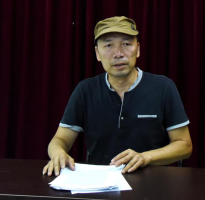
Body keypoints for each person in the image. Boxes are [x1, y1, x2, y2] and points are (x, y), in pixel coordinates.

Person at [43, 16, 193, 176]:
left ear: (138, 49)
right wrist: (58, 153)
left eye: (127, 44)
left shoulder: (163, 87)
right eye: (108, 45)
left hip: (153, 182)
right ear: (97, 53)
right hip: (99, 182)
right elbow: (59, 140)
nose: (118, 54)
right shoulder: (85, 90)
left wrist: (145, 157)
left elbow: (184, 145)